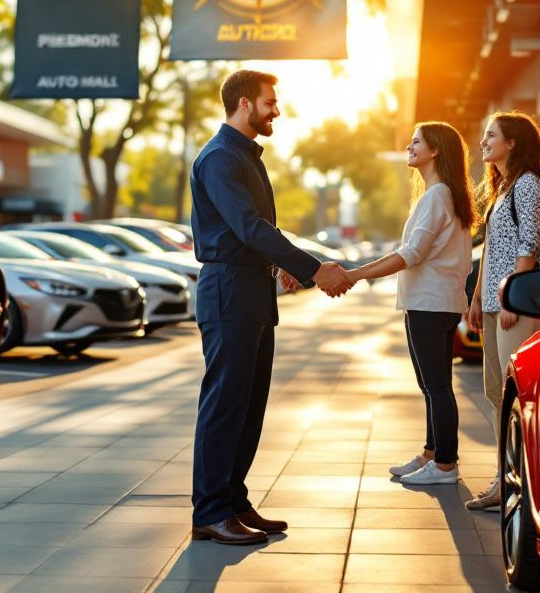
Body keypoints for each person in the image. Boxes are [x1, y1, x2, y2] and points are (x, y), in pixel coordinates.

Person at [188, 69, 353, 546]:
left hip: (251, 293)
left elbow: (257, 228)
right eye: (269, 102)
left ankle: (233, 502)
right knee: (225, 405)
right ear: (243, 104)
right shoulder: (221, 157)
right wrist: (313, 268)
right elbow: (249, 228)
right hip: (229, 292)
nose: (275, 110)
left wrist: (282, 266)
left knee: (249, 405)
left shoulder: (242, 155)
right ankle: (211, 512)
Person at [345, 122, 476, 485]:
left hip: (431, 305)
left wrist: (356, 275)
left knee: (436, 386)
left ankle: (445, 465)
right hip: (438, 303)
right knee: (433, 384)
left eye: (417, 142)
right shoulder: (444, 194)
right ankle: (432, 454)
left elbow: (411, 254)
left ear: (435, 150)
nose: (409, 146)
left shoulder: (437, 196)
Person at [464, 111, 540, 511]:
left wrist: (510, 298)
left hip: (513, 306)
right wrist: (475, 299)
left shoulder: (528, 186)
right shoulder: (503, 186)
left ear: (513, 142)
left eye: (491, 135)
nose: (484, 141)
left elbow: (530, 245)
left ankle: (514, 482)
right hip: (491, 303)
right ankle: (508, 476)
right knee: (495, 392)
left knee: (515, 396)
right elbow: (491, 250)